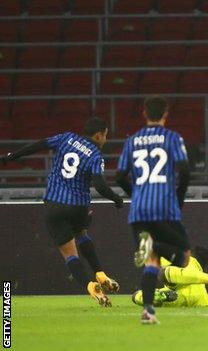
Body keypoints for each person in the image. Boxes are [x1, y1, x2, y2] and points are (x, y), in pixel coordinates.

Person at [0, 117, 124, 306]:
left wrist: (12, 156)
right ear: (98, 135)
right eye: (105, 136)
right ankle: (100, 273)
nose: (105, 139)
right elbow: (99, 185)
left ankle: (91, 287)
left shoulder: (66, 138)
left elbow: (40, 145)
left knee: (70, 254)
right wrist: (116, 199)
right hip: (79, 207)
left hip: (54, 205)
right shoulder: (95, 155)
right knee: (82, 234)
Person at [116, 96, 194, 324]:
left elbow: (120, 176)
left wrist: (135, 194)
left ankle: (148, 311)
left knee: (151, 262)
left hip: (139, 211)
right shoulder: (172, 138)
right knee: (184, 258)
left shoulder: (132, 141)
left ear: (144, 113)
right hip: (165, 209)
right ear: (165, 114)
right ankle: (154, 245)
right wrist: (179, 197)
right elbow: (185, 170)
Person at [131, 246, 208, 308]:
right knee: (162, 277)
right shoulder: (196, 270)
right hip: (199, 300)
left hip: (176, 295)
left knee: (138, 294)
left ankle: (152, 297)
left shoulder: (186, 259)